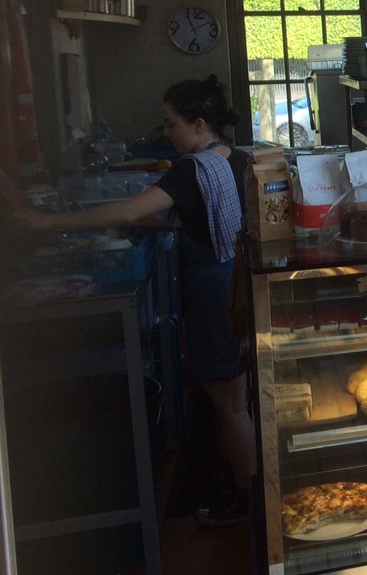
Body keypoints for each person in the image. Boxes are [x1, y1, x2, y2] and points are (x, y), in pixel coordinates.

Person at [17, 76, 256, 525]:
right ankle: (243, 488)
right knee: (234, 398)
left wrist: (46, 223)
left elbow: (129, 210)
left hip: (212, 294)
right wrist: (161, 224)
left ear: (199, 123)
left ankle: (247, 499)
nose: (166, 133)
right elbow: (211, 218)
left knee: (228, 403)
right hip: (235, 285)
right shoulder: (234, 157)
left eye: (171, 124)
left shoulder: (190, 170)